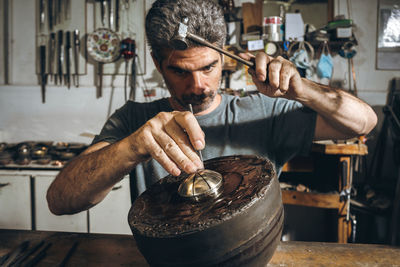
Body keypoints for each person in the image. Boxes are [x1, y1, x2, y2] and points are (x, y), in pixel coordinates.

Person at [47, 0, 377, 215]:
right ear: (158, 64)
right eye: (180, 71)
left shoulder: (262, 112)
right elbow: (60, 201)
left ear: (223, 55)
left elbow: (363, 122)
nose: (198, 86)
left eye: (208, 67)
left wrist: (301, 88)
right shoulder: (135, 119)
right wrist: (131, 148)